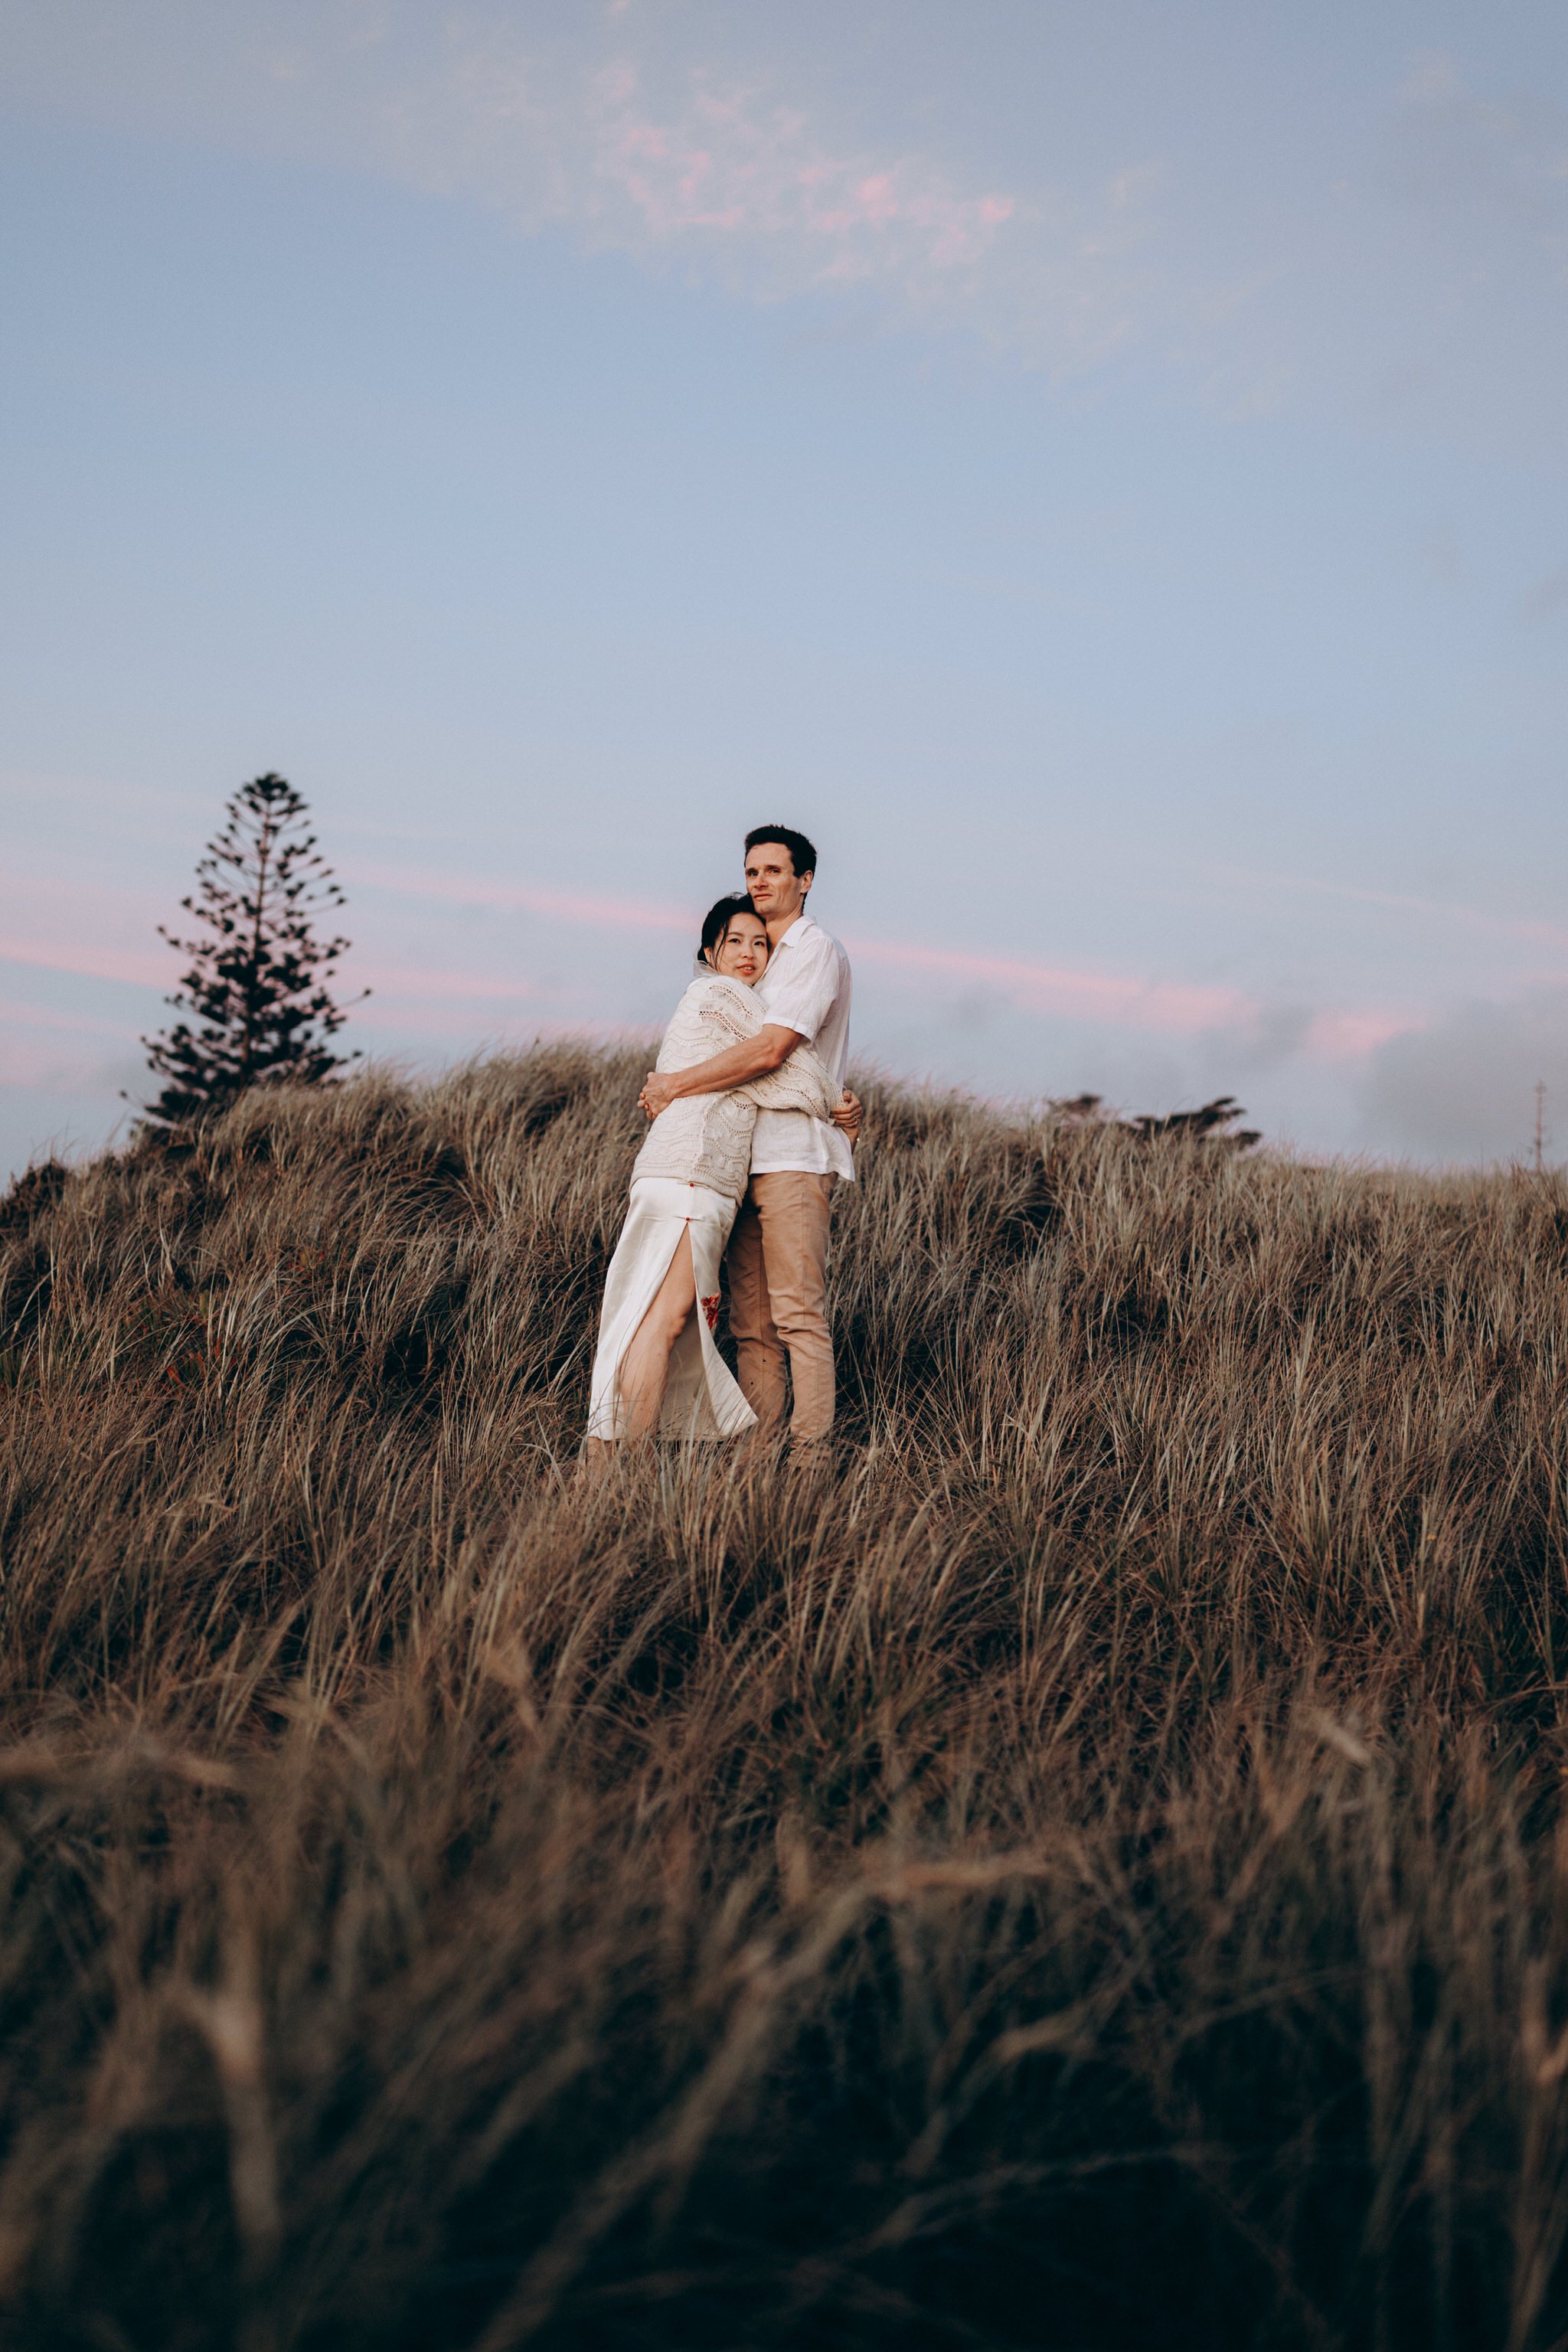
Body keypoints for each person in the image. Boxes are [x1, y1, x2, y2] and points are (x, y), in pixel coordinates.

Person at [582, 894, 858, 1462]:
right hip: (693, 1179)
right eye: (736, 941)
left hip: (681, 1177)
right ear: (710, 951)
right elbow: (777, 1064)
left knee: (650, 1318)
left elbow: (758, 1075)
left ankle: (608, 1459)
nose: (751, 953)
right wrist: (841, 1104)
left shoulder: (714, 1000)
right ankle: (618, 1464)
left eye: (761, 943)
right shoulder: (722, 996)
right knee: (665, 1320)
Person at [638, 827, 854, 1445]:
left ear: (804, 881)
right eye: (751, 871)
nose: (760, 882)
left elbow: (770, 1052)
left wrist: (674, 1084)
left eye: (774, 872)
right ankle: (759, 1468)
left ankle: (809, 1466)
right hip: (740, 1161)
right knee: (751, 1326)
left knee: (797, 1319)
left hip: (793, 1157)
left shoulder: (813, 950)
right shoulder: (758, 960)